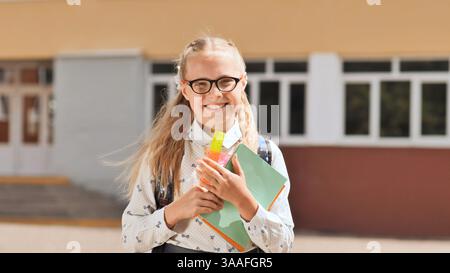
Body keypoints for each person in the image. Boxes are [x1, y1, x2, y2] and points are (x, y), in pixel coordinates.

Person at [121, 36, 294, 253]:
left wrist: (244, 202)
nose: (215, 93)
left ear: (242, 83)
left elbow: (283, 245)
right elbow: (130, 236)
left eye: (225, 81)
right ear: (185, 89)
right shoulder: (162, 156)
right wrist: (174, 212)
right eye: (201, 84)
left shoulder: (265, 154)